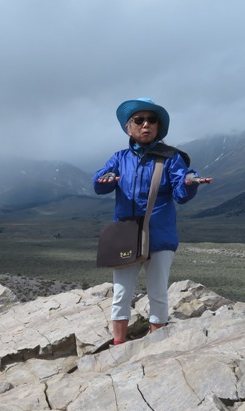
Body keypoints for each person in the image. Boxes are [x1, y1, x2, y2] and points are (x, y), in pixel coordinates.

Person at [93, 98, 209, 345]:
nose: (146, 125)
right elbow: (99, 185)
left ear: (159, 126)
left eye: (152, 120)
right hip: (126, 236)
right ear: (128, 127)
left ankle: (156, 347)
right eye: (139, 120)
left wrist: (189, 183)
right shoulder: (119, 158)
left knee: (158, 293)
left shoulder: (171, 158)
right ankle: (119, 346)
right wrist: (108, 178)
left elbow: (180, 193)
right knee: (121, 294)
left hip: (160, 236)